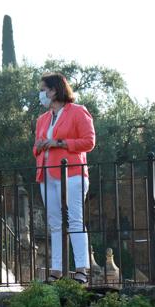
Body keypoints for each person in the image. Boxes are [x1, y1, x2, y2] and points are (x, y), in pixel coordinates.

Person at [33, 73, 95, 284]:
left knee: (75, 220)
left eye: (43, 89)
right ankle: (57, 270)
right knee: (55, 224)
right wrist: (40, 146)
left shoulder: (78, 112)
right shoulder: (42, 119)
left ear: (54, 90)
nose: (41, 93)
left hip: (72, 173)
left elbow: (88, 142)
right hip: (46, 174)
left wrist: (58, 143)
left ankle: (81, 270)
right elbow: (36, 147)